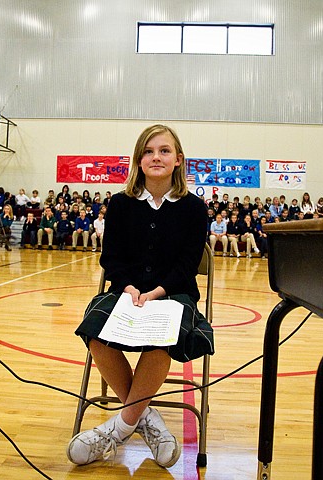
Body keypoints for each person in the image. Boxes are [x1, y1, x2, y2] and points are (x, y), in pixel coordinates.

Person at [68, 124, 213, 468]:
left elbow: (186, 264)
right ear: (139, 160)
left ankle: (117, 430)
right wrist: (131, 288)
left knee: (161, 337)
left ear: (178, 160)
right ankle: (147, 419)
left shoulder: (194, 208)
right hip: (127, 292)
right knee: (94, 331)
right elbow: (111, 258)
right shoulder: (119, 204)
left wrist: (157, 293)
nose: (156, 157)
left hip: (174, 294)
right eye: (148, 151)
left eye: (164, 151)